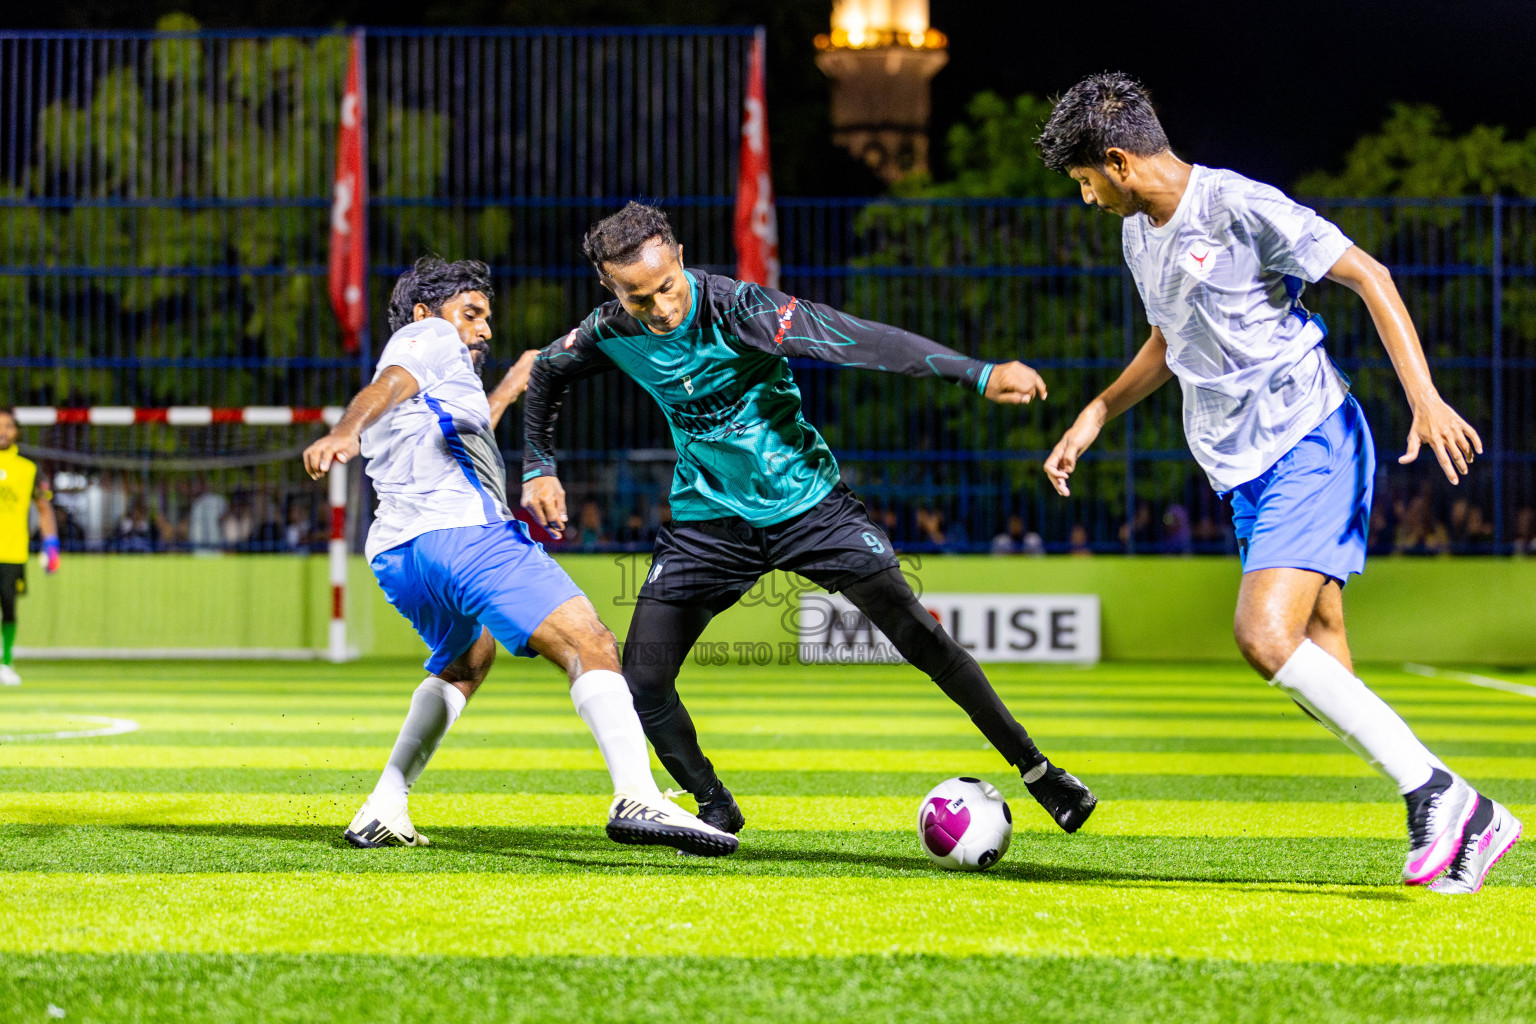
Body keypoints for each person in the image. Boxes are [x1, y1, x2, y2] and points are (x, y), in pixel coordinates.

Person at [1037, 72, 1520, 893]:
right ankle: (1461, 815)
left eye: (1085, 182)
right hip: (1240, 472)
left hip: (1309, 438)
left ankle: (1446, 799)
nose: (1086, 199)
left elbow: (1369, 275)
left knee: (1264, 637)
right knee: (1324, 660)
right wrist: (1098, 412)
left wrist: (1426, 397)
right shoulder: (1137, 236)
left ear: (1117, 161)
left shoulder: (1238, 206)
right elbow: (1170, 337)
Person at [521, 202, 1098, 843]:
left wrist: (977, 372)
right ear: (611, 288)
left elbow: (861, 340)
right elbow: (545, 370)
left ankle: (1041, 772)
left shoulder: (743, 311)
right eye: (639, 299)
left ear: (680, 258)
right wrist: (539, 467)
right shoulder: (607, 332)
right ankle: (713, 805)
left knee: (918, 633)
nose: (660, 310)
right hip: (706, 523)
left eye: (666, 288)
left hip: (809, 508)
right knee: (644, 678)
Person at [303, 256, 734, 857]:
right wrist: (345, 429)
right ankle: (636, 793)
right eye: (471, 314)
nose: (483, 329)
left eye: (486, 317)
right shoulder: (424, 337)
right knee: (591, 642)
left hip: (400, 552)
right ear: (428, 313)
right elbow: (387, 384)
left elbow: (455, 427)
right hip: (464, 536)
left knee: (466, 658)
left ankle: (384, 805)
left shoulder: (443, 381)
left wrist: (506, 389)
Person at [0, 408, 58, 686]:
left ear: (16, 431)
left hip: (12, 550)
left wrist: (52, 545)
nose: (3, 431)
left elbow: (44, 508)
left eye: (8, 426)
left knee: (9, 608)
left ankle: (5, 662)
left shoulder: (28, 469)